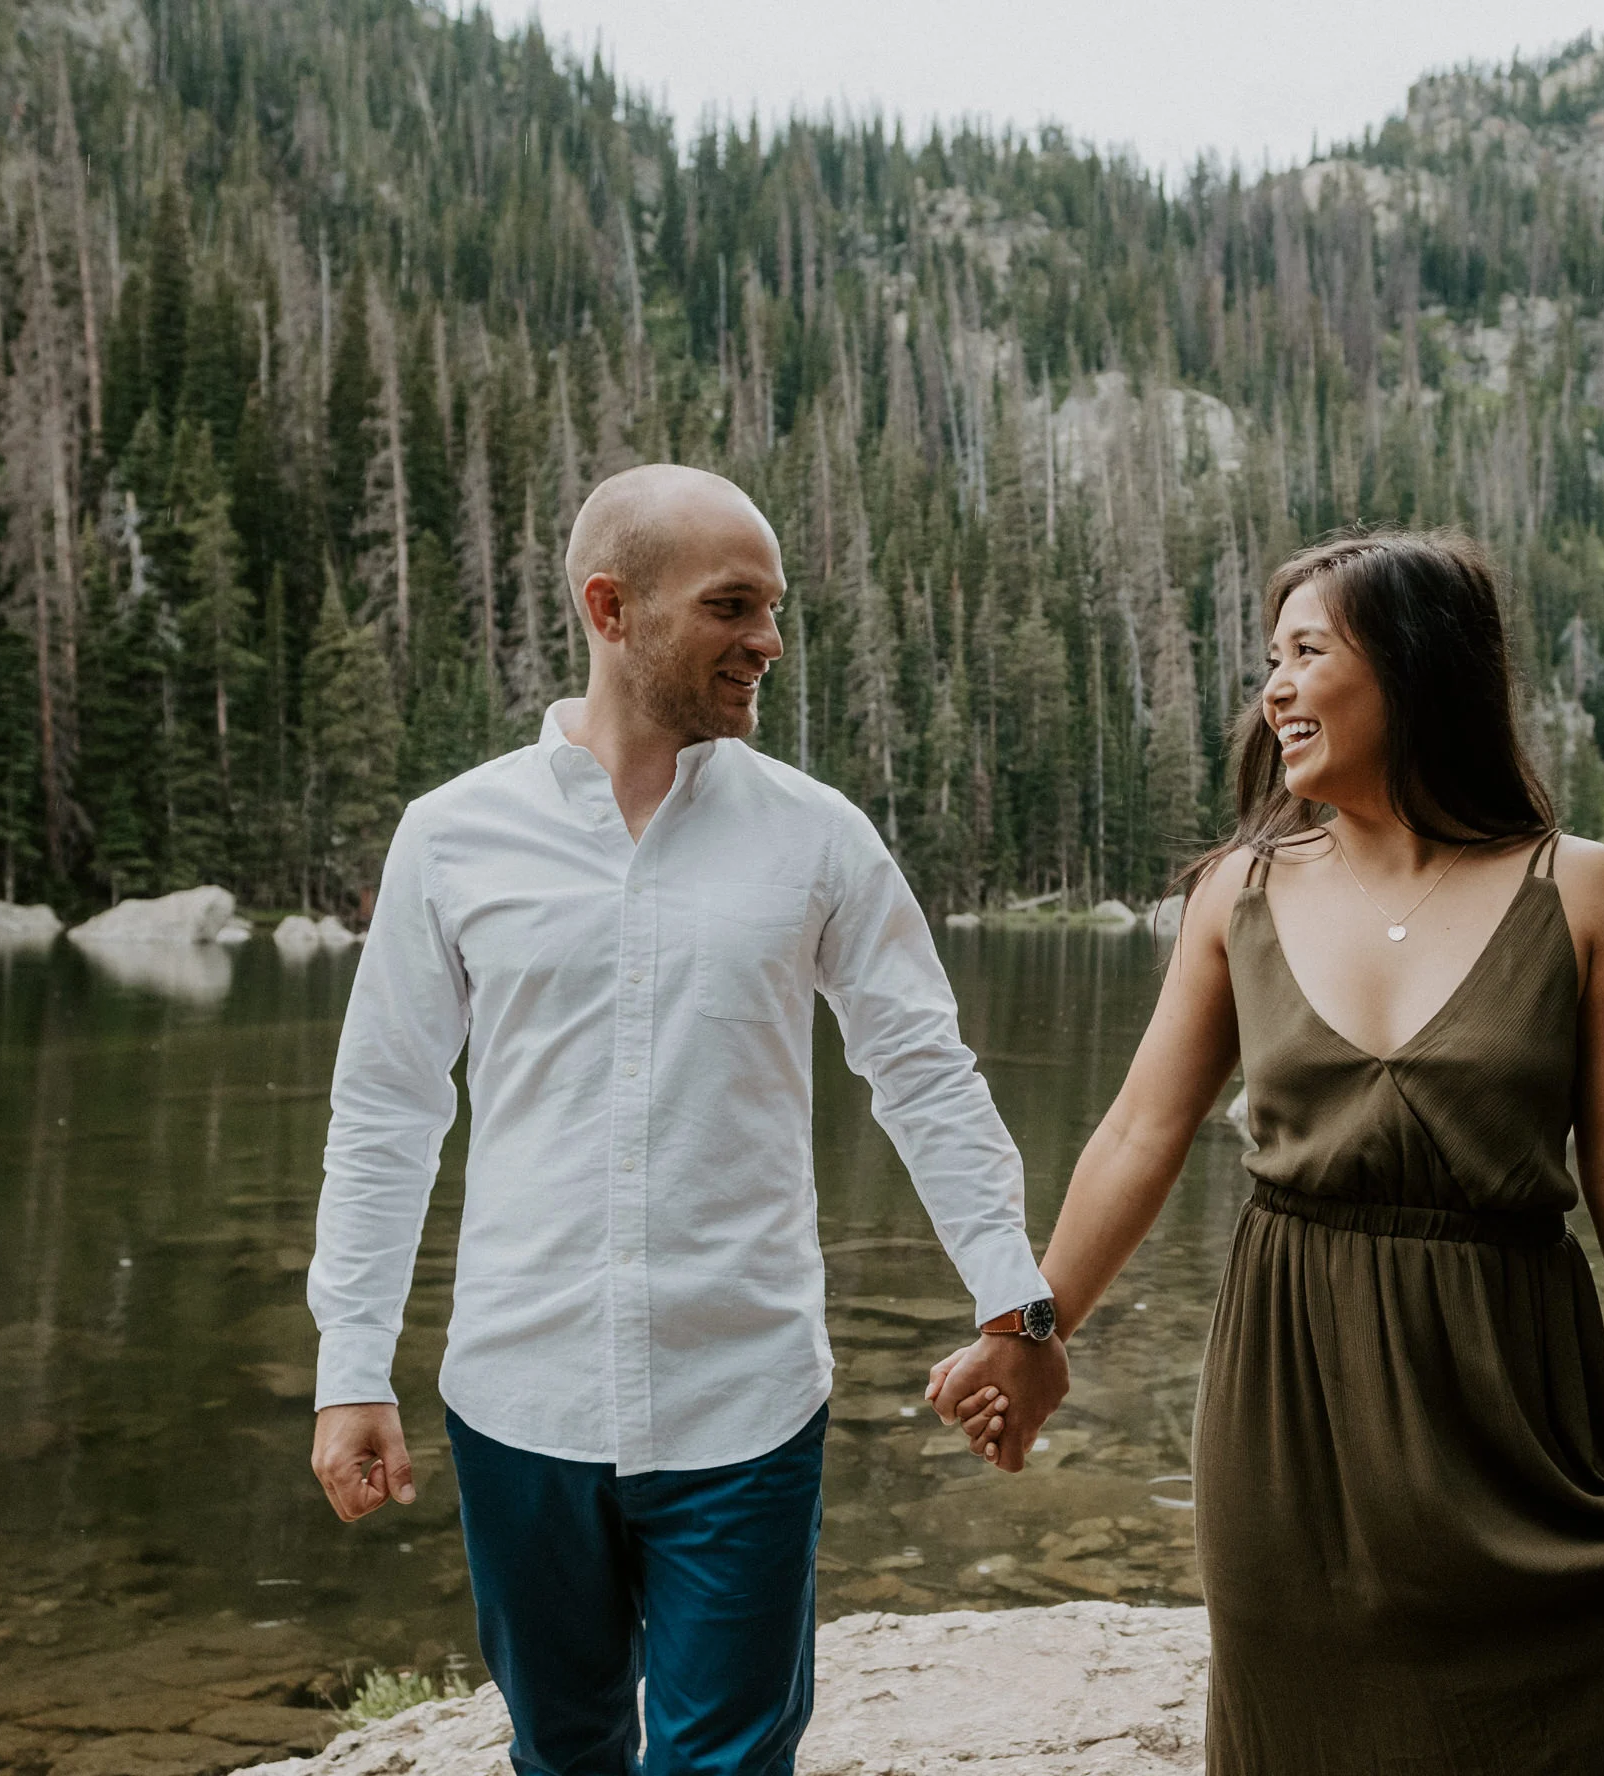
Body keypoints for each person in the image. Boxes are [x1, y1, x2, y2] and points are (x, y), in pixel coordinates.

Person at [929, 530, 1604, 1774]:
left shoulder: (1578, 890)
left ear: (1413, 670)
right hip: (1287, 1393)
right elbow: (1139, 1131)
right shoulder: (1236, 892)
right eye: (1270, 659)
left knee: (1575, 1680)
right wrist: (1033, 1329)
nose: (1274, 688)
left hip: (1506, 1395)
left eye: (1308, 653)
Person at [305, 464, 1066, 1776]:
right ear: (611, 608)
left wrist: (1015, 1305)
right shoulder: (453, 837)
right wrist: (351, 1369)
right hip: (516, 1400)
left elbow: (924, 1072)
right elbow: (387, 1111)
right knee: (565, 1753)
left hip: (744, 1408)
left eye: (776, 610)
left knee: (725, 1763)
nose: (769, 640)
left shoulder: (818, 839)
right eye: (732, 607)